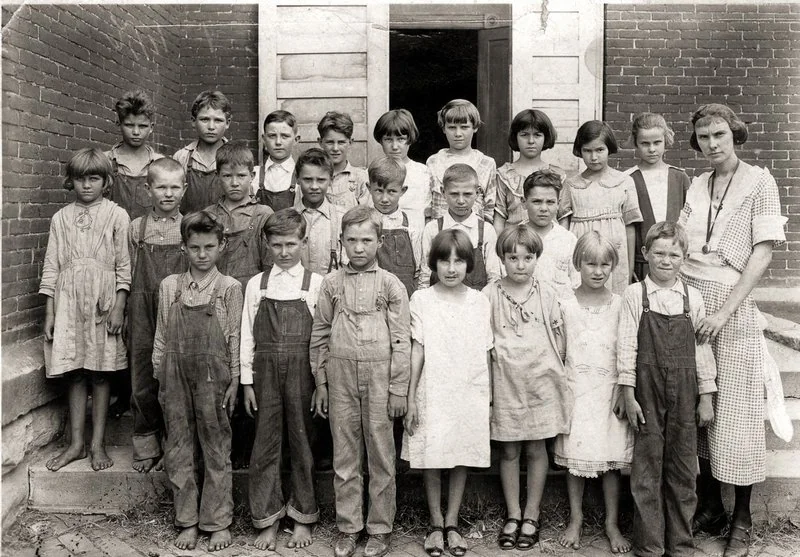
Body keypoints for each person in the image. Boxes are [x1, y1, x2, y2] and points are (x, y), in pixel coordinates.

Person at [680, 104, 787, 557]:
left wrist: (723, 312)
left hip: (733, 309)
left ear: (735, 134)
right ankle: (710, 507)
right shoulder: (698, 184)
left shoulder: (760, 182)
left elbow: (762, 254)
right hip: (690, 301)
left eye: (719, 134)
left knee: (738, 412)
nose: (712, 144)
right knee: (698, 408)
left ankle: (740, 518)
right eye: (703, 137)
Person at [311, 206, 411, 557]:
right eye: (351, 240)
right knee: (346, 454)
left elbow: (401, 340)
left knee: (382, 454)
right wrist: (321, 382)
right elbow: (320, 333)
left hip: (380, 377)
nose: (359, 248)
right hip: (340, 379)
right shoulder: (331, 283)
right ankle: (348, 527)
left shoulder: (390, 285)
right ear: (341, 242)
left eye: (366, 240)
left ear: (379, 242)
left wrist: (399, 389)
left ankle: (380, 528)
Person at [618, 221, 717, 557]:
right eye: (658, 252)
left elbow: (703, 350)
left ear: (684, 258)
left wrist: (707, 395)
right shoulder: (635, 295)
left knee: (683, 468)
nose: (665, 260)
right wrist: (627, 392)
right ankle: (649, 545)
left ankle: (681, 544)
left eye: (674, 254)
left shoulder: (693, 297)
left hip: (686, 391)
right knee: (646, 467)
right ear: (645, 254)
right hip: (646, 389)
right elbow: (626, 346)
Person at [152, 212, 243, 552]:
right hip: (174, 376)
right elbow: (161, 335)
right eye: (194, 248)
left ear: (222, 246)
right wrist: (160, 374)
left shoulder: (229, 288)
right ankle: (187, 521)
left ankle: (217, 522)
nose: (202, 254)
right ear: (183, 248)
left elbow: (234, 338)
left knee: (216, 446)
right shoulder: (170, 286)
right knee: (178, 447)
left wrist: (234, 380)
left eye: (209, 247)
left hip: (213, 378)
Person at [403, 229, 492, 557]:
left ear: (469, 264)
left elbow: (486, 351)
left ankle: (453, 522)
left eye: (458, 261)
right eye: (444, 261)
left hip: (468, 388)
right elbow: (418, 351)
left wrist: (490, 398)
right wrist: (411, 397)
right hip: (433, 387)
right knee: (432, 454)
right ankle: (435, 523)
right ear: (433, 264)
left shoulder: (479, 301)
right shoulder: (422, 300)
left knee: (459, 455)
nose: (451, 268)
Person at [40, 148, 130, 473]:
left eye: (94, 179)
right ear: (71, 181)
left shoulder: (117, 215)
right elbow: (51, 266)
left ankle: (98, 443)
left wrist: (120, 304)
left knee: (100, 372)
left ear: (106, 182)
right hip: (68, 303)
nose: (87, 186)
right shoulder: (60, 218)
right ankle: (76, 444)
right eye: (81, 179)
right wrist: (50, 312)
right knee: (75, 371)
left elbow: (124, 265)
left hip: (103, 302)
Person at [484, 224, 570, 551]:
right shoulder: (490, 294)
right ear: (502, 259)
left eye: (528, 257)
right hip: (505, 381)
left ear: (537, 258)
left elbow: (559, 335)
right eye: (513, 257)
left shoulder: (546, 292)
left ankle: (532, 514)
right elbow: (483, 341)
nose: (520, 264)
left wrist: (554, 369)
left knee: (536, 448)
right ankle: (513, 513)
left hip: (539, 380)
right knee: (508, 449)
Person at [240, 209, 322, 551]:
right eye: (277, 245)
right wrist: (246, 381)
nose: (284, 252)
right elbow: (247, 334)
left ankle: (303, 516)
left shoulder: (315, 285)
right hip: (265, 373)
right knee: (266, 442)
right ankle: (268, 518)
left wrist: (321, 382)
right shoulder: (257, 284)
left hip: (303, 371)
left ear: (304, 243)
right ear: (267, 245)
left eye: (291, 244)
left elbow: (321, 337)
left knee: (303, 443)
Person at [554, 231, 633, 553]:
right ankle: (576, 518)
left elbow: (626, 348)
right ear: (577, 264)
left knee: (610, 461)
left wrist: (623, 388)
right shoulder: (565, 304)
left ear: (613, 266)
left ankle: (612, 523)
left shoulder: (620, 305)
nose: (598, 271)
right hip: (576, 391)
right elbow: (559, 352)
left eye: (605, 265)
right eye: (590, 264)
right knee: (576, 458)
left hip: (609, 394)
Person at [127, 157, 186, 473]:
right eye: (161, 187)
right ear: (147, 189)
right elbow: (126, 271)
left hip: (176, 308)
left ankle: (174, 446)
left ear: (185, 189)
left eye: (175, 187)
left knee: (173, 377)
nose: (168, 193)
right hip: (141, 309)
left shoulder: (188, 226)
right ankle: (147, 445)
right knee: (142, 376)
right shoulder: (137, 228)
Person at [559, 120, 643, 294]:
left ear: (609, 148)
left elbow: (630, 227)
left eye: (599, 150)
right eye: (587, 151)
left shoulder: (624, 182)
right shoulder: (571, 185)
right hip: (583, 253)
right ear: (580, 151)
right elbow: (563, 229)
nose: (594, 157)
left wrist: (629, 267)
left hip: (614, 253)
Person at [626, 113, 691, 281]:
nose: (652, 149)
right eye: (645, 144)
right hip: (641, 265)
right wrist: (629, 267)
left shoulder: (679, 177)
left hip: (676, 264)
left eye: (657, 142)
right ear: (635, 143)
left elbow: (690, 221)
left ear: (666, 140)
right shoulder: (627, 179)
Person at [203, 140, 273, 292]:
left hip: (251, 293)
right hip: (214, 293)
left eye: (241, 176)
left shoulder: (263, 214)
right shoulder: (208, 215)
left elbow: (270, 265)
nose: (234, 183)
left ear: (252, 175)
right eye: (227, 176)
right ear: (217, 176)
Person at [419, 164, 501, 289]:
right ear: (443, 192)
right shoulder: (433, 229)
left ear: (477, 192)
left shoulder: (486, 231)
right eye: (454, 194)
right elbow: (425, 275)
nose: (461, 201)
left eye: (467, 194)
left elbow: (493, 277)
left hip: (476, 303)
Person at [426, 99, 497, 222]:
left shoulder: (486, 163)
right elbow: (428, 205)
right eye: (452, 127)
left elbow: (489, 208)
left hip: (474, 235)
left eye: (464, 127)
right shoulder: (433, 162)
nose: (458, 133)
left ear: (475, 127)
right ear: (444, 129)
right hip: (441, 233)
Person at [494, 108, 562, 232]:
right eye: (524, 135)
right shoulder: (503, 175)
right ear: (515, 137)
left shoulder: (557, 175)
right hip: (514, 245)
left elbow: (563, 217)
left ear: (546, 137)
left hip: (550, 243)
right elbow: (499, 217)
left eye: (537, 135)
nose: (531, 141)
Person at [520, 169, 580, 299]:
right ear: (524, 202)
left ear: (558, 204)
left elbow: (577, 283)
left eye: (550, 202)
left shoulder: (568, 240)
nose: (543, 208)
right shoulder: (513, 237)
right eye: (537, 201)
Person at [105, 90, 164, 220]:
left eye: (142, 126)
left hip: (149, 236)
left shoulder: (161, 163)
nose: (136, 132)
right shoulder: (105, 161)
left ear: (151, 127)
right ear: (118, 124)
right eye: (129, 125)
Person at [369, 156, 421, 297]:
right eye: (379, 190)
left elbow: (419, 270)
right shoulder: (364, 223)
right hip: (372, 293)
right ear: (369, 188)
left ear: (402, 190)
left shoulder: (411, 225)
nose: (385, 199)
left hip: (405, 295)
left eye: (392, 191)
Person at [374, 108, 432, 232]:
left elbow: (428, 215)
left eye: (400, 139)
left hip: (414, 239)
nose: (395, 146)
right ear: (380, 141)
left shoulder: (422, 172)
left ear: (409, 139)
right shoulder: (374, 172)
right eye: (388, 139)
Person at [173, 90, 231, 213]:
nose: (211, 127)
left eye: (218, 120)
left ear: (227, 123)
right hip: (189, 229)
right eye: (204, 119)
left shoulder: (236, 156)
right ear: (193, 121)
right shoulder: (182, 157)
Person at [293, 147, 343, 276]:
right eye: (308, 180)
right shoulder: (287, 219)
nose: (314, 186)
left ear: (331, 180)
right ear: (297, 179)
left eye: (321, 180)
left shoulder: (343, 219)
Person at [315, 111, 370, 211]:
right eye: (330, 142)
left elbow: (366, 217)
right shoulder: (312, 176)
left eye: (341, 142)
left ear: (350, 142)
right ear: (320, 142)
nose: (335, 148)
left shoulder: (361, 178)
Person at [255, 110, 300, 211]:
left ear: (296, 139)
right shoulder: (254, 175)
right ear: (264, 139)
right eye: (272, 136)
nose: (278, 142)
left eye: (285, 136)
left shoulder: (301, 176)